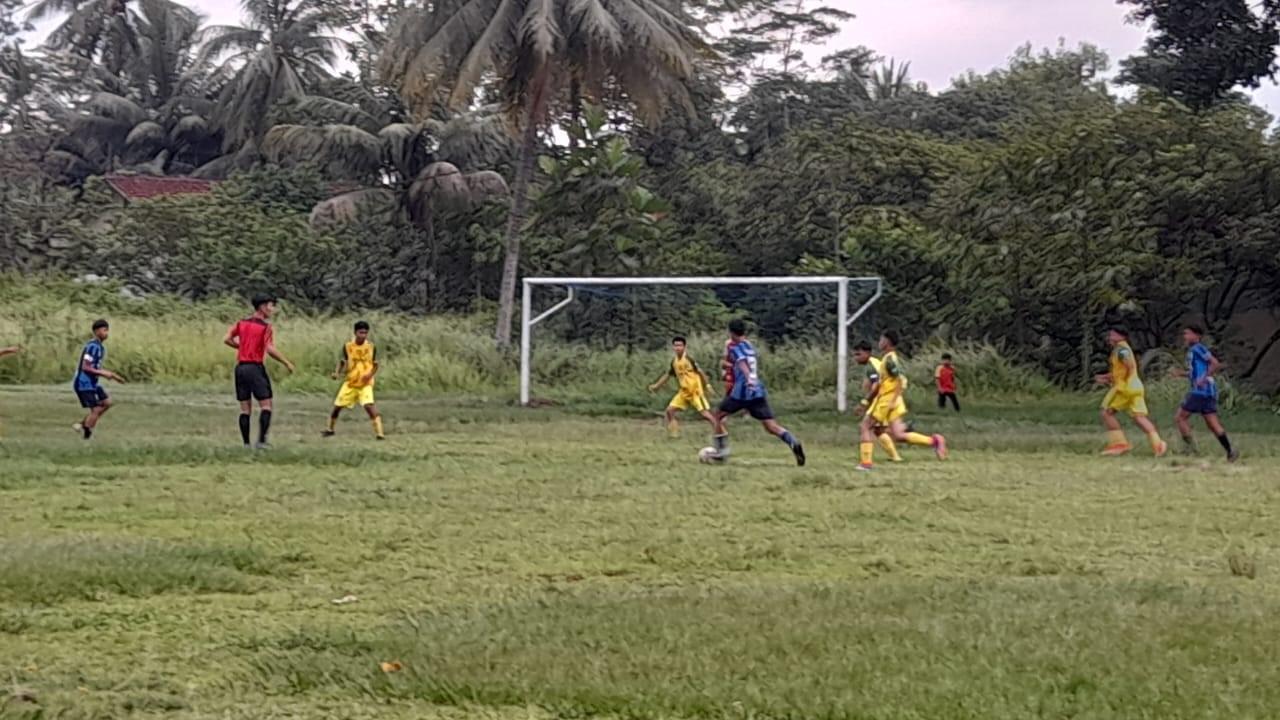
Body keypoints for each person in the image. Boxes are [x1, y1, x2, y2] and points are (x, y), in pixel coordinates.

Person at [709, 319, 804, 465]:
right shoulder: (749, 345)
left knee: (718, 415)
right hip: (757, 391)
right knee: (771, 426)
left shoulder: (735, 347)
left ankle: (721, 452)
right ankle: (793, 442)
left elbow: (742, 362)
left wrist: (748, 378)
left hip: (742, 392)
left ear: (731, 332)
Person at [856, 330, 946, 471]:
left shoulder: (890, 360)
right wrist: (867, 401)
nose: (879, 342)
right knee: (897, 435)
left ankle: (866, 464)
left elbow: (898, 380)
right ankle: (934, 441)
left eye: (881, 339)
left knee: (865, 426)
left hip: (886, 400)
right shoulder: (886, 359)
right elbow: (883, 383)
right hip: (891, 400)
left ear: (887, 342)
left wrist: (891, 399)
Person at [224, 294, 295, 449]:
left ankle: (246, 444)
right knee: (266, 405)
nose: (272, 309)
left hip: (240, 368)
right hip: (255, 368)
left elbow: (227, 339)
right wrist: (286, 362)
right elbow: (269, 348)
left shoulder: (241, 323)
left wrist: (241, 347)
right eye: (271, 306)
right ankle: (261, 442)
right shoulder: (265, 327)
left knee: (245, 409)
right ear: (262, 307)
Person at [1095, 326, 1167, 457]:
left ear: (1122, 337)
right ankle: (1158, 444)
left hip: (1125, 388)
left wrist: (1123, 380)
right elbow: (1122, 370)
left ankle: (1119, 444)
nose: (1110, 338)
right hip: (1136, 386)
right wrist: (1107, 377)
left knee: (1106, 413)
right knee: (1139, 417)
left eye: (1113, 335)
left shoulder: (1121, 349)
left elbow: (1129, 366)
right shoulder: (1124, 349)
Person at [1173, 325, 1237, 462]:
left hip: (1201, 391)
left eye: (1188, 333)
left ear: (1197, 336)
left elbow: (1215, 363)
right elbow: (1195, 372)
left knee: (1180, 417)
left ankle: (1191, 449)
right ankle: (1230, 451)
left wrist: (1203, 378)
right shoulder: (1193, 351)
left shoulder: (1198, 348)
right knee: (1213, 424)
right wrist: (1182, 374)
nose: (1185, 336)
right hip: (1208, 392)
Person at [323, 320, 384, 440]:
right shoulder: (348, 346)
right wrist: (337, 373)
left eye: (365, 333)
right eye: (361, 332)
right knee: (337, 407)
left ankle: (380, 433)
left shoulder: (371, 347)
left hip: (365, 383)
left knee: (369, 406)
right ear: (355, 333)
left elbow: (376, 365)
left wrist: (369, 374)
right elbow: (342, 361)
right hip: (351, 382)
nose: (363, 335)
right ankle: (330, 429)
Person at [648, 335, 715, 437]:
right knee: (669, 411)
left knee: (705, 414)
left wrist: (708, 386)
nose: (678, 348)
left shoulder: (689, 359)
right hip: (684, 392)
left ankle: (719, 431)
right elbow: (668, 375)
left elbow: (701, 372)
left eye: (680, 345)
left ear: (684, 347)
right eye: (676, 346)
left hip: (695, 392)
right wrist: (656, 386)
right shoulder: (674, 362)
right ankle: (674, 434)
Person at [72, 320, 126, 440]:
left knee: (107, 402)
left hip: (92, 383)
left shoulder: (100, 347)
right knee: (96, 409)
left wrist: (112, 375)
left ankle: (83, 425)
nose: (107, 333)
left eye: (107, 330)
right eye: (104, 330)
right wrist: (105, 373)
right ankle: (87, 435)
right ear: (97, 331)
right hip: (84, 384)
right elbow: (85, 367)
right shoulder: (92, 347)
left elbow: (94, 367)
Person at [852, 341, 902, 462]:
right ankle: (895, 457)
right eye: (854, 355)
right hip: (884, 399)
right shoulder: (873, 363)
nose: (856, 358)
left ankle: (866, 463)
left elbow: (876, 386)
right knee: (879, 430)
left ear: (867, 353)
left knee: (866, 426)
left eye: (858, 354)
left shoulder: (872, 366)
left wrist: (865, 402)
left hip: (882, 400)